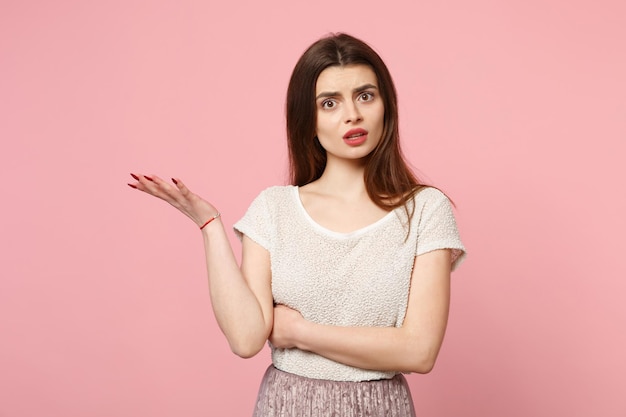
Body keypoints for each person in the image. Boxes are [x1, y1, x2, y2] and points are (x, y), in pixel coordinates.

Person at [128, 33, 465, 417]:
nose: (352, 114)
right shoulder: (274, 209)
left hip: (380, 407)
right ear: (308, 120)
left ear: (387, 105)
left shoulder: (425, 209)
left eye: (365, 95)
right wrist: (209, 224)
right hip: (286, 406)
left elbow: (419, 351)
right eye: (329, 103)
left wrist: (299, 332)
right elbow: (246, 338)